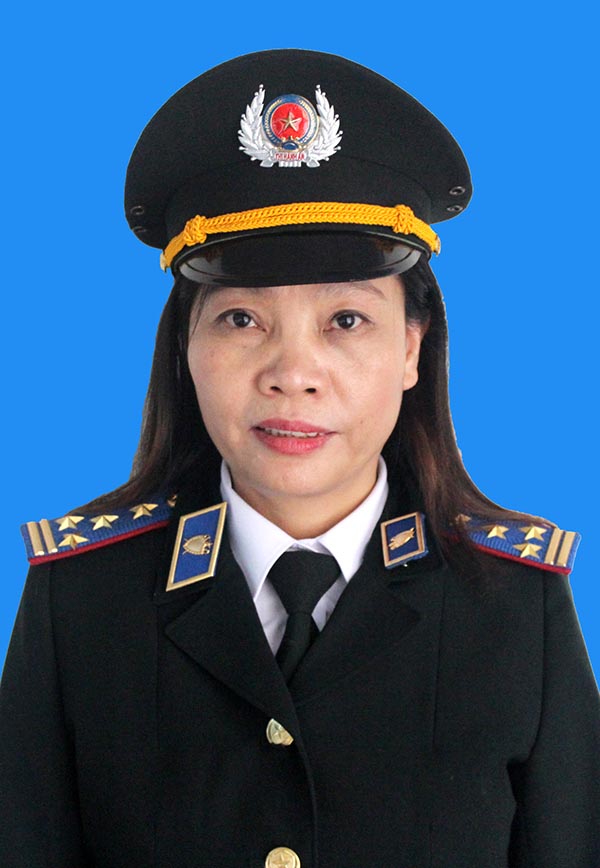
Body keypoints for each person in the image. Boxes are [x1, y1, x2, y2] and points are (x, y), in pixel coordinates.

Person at [0, 48, 598, 868]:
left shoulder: (514, 609)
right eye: (242, 319)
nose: (292, 374)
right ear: (184, 347)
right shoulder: (82, 601)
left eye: (346, 321)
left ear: (412, 348)